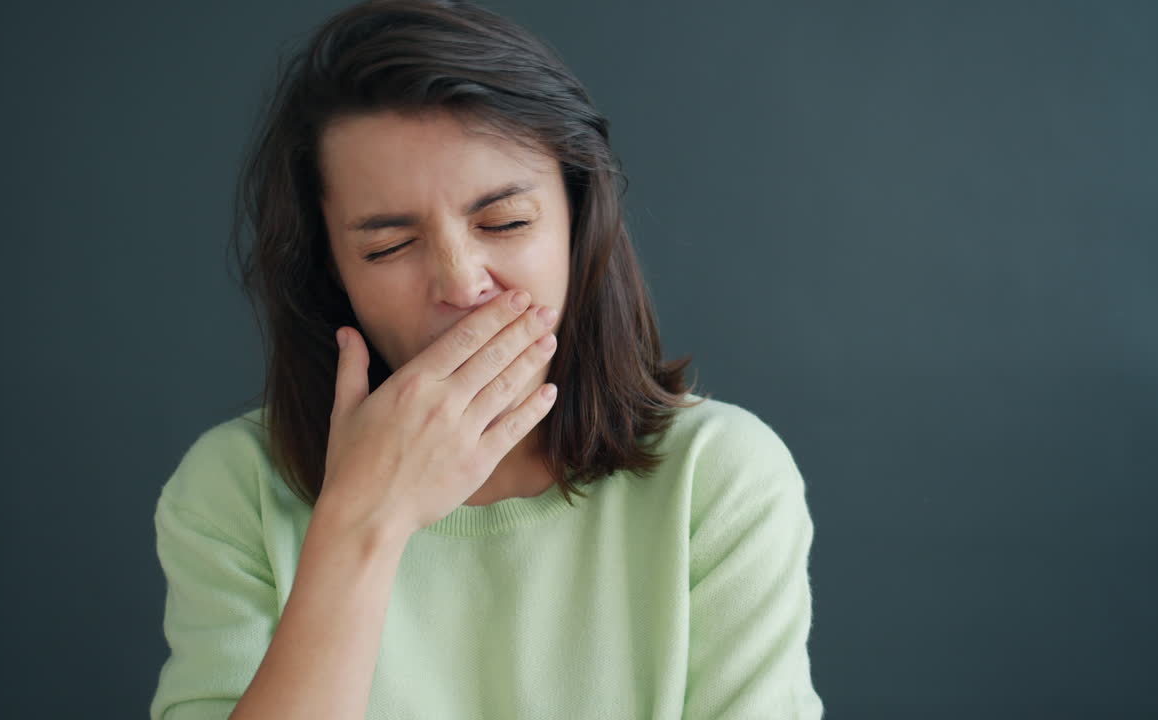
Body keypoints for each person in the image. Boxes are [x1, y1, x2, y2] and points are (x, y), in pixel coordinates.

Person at [149, 0, 824, 718]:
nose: (462, 284)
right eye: (387, 246)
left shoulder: (718, 477)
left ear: (578, 221)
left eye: (505, 222)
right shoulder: (234, 491)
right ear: (331, 271)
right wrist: (362, 522)